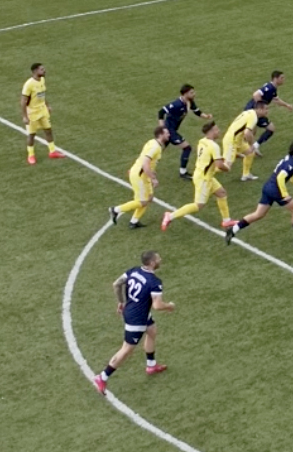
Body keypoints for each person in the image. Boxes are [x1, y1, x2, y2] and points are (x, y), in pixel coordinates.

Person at [95, 249, 173, 392]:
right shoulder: (154, 282)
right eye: (158, 259)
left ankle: (151, 365)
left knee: (152, 330)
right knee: (126, 350)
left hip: (132, 310)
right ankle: (102, 377)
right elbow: (157, 305)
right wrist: (169, 306)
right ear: (152, 263)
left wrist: (121, 301)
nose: (160, 260)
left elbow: (116, 284)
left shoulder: (134, 271)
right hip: (137, 319)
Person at [224, 141, 293, 245]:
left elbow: (289, 174)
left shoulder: (290, 159)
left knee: (259, 214)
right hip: (275, 190)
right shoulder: (291, 164)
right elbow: (280, 177)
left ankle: (233, 229)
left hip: (268, 187)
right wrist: (285, 194)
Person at [161, 120, 230, 231]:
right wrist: (226, 167)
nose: (219, 131)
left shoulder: (202, 141)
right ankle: (170, 216)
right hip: (204, 178)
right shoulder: (214, 146)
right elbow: (219, 165)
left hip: (202, 174)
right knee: (198, 205)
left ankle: (226, 220)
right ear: (211, 132)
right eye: (216, 129)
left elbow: (209, 159)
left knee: (221, 193)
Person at [109, 124, 169, 229]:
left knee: (149, 197)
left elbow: (146, 161)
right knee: (142, 201)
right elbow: (145, 164)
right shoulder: (155, 147)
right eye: (166, 133)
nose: (169, 134)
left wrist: (152, 172)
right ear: (161, 135)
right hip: (140, 175)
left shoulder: (153, 143)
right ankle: (116, 210)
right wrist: (153, 178)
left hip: (143, 174)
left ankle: (134, 221)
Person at [157, 83, 212, 178]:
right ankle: (183, 172)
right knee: (187, 148)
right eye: (191, 92)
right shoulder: (176, 104)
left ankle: (143, 166)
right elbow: (161, 112)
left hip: (172, 130)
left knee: (158, 150)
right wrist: (162, 129)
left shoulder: (190, 102)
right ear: (185, 94)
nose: (194, 94)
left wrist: (206, 116)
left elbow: (197, 112)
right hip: (169, 131)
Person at [20, 62, 64, 164]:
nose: (44, 71)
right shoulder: (29, 84)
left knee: (48, 130)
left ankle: (52, 151)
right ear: (35, 71)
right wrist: (25, 116)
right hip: (32, 113)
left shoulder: (42, 80)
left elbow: (42, 95)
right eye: (42, 69)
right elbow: (23, 101)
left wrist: (47, 105)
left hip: (42, 110)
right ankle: (31, 155)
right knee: (32, 134)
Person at [245, 71, 293, 150]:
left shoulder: (273, 89)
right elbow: (256, 95)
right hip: (253, 111)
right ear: (275, 79)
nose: (283, 80)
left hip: (254, 111)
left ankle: (248, 147)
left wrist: (287, 105)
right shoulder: (269, 87)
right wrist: (261, 107)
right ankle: (251, 148)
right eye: (281, 78)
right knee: (270, 128)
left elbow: (276, 100)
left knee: (252, 131)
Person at [221, 103, 262, 181]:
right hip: (231, 141)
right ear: (260, 109)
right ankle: (209, 167)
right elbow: (247, 132)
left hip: (238, 140)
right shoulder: (253, 117)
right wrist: (252, 145)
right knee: (226, 167)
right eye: (266, 109)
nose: (267, 111)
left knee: (250, 152)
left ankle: (246, 175)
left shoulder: (249, 112)